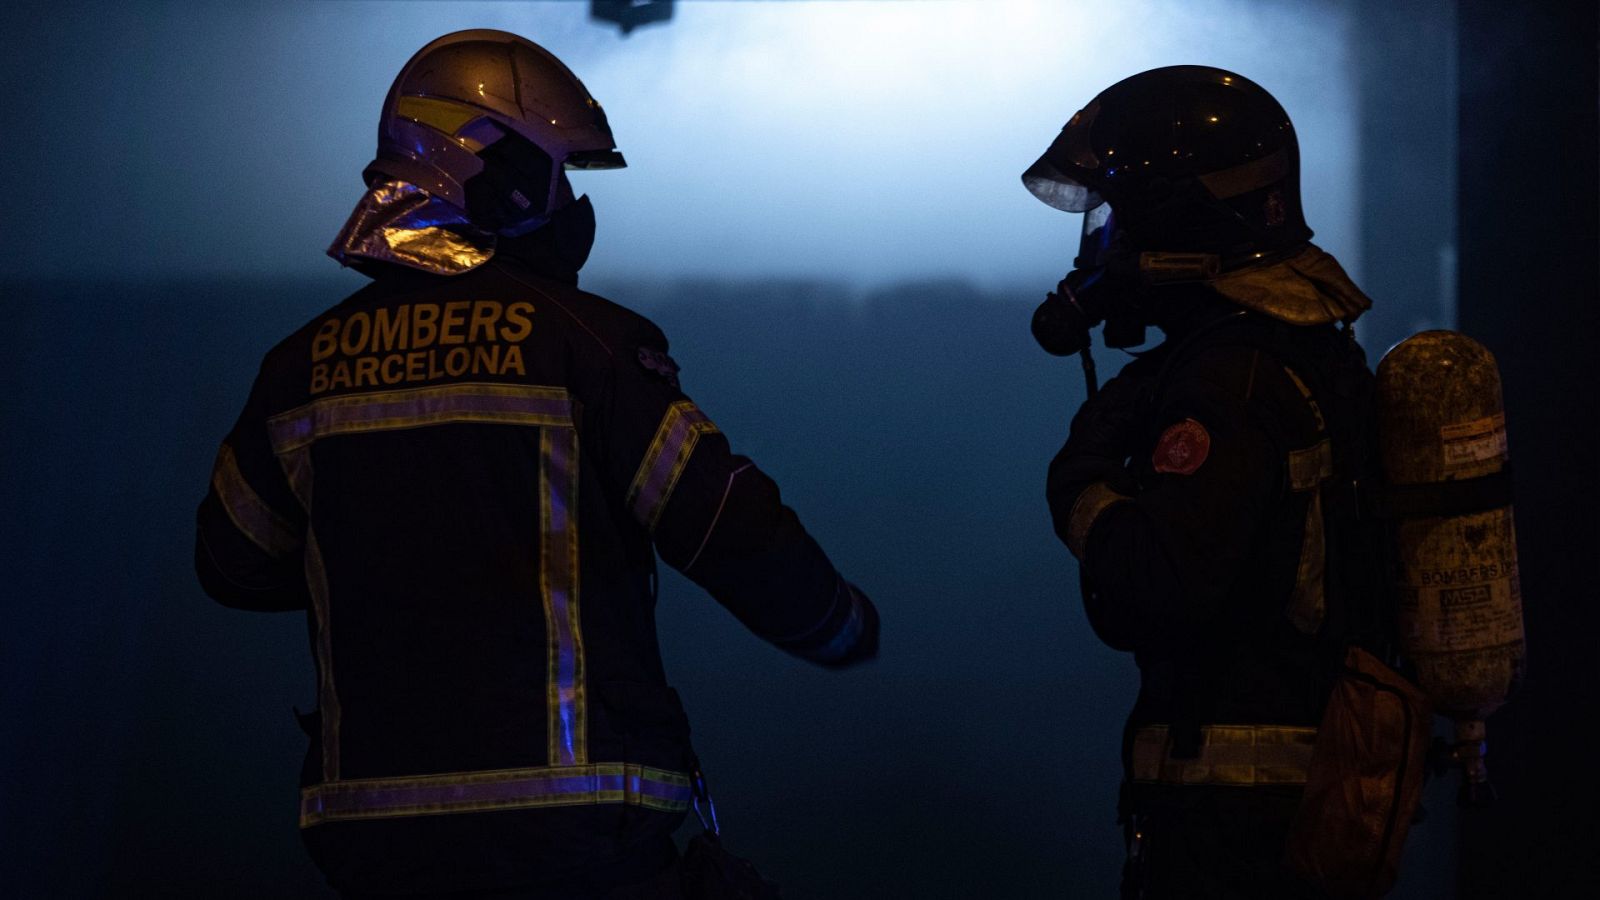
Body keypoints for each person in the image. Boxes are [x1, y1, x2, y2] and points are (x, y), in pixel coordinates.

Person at [195, 30, 877, 900]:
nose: (572, 209)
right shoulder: (588, 345)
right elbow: (725, 527)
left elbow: (229, 563)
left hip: (373, 848)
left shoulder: (298, 370)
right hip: (582, 835)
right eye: (560, 178)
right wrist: (838, 625)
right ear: (499, 173)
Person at [1024, 66, 1387, 898]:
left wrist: (1079, 479)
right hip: (1286, 823)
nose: (1103, 247)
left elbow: (1152, 587)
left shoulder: (1225, 385)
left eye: (1117, 216)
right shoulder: (1300, 354)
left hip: (1232, 838)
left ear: (1180, 217)